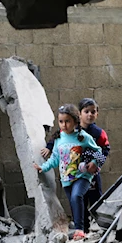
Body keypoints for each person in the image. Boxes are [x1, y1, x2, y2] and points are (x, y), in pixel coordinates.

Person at [41, 98, 110, 232]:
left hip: (91, 174)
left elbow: (104, 150)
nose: (89, 114)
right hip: (72, 176)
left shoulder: (98, 133)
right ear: (79, 114)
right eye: (86, 111)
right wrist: (49, 148)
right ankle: (83, 230)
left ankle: (103, 228)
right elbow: (57, 141)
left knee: (96, 200)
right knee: (79, 200)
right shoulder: (67, 131)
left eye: (93, 112)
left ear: (97, 114)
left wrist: (96, 163)